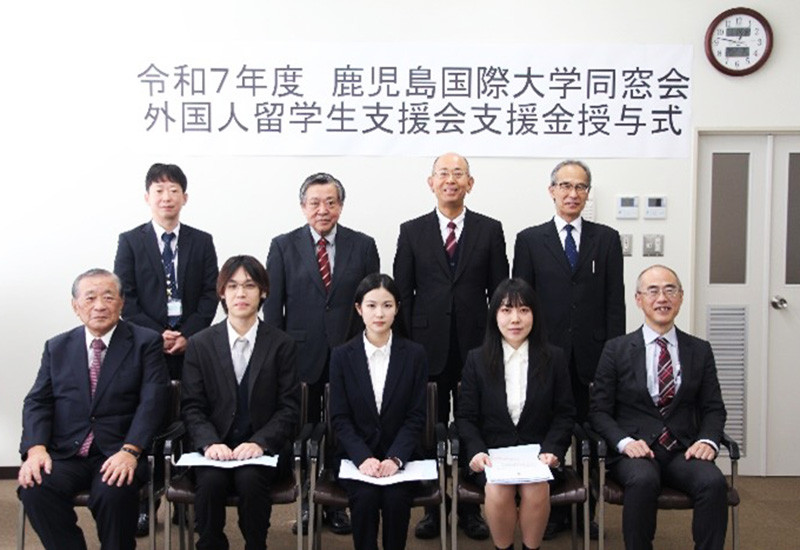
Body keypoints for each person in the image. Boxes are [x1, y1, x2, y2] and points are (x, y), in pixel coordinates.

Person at [394, 152, 508, 540]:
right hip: (426, 348)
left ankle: (471, 508)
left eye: (458, 174)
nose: (451, 180)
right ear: (431, 182)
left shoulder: (490, 230)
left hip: (478, 348)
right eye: (443, 173)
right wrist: (407, 347)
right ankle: (432, 507)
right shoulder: (412, 231)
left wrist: (495, 345)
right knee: (430, 429)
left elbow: (500, 294)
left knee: (475, 427)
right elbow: (402, 294)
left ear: (469, 184)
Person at [512, 159, 624, 538]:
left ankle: (585, 512)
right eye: (565, 186)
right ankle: (551, 512)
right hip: (545, 357)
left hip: (594, 359)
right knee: (548, 436)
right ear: (552, 191)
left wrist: (612, 357)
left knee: (590, 437)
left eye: (580, 187)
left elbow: (615, 303)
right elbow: (520, 304)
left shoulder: (606, 239)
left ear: (588, 193)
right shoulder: (530, 240)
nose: (572, 193)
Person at [18, 268, 169, 550]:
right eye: (90, 298)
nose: (99, 305)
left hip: (118, 450)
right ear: (75, 306)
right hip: (67, 452)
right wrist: (36, 449)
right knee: (35, 488)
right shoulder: (57, 347)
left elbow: (153, 401)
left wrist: (131, 451)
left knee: (113, 493)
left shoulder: (145, 342)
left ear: (122, 303)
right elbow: (38, 401)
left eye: (108, 297)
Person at [263, 172, 379, 534]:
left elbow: (373, 303)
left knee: (345, 429)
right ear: (303, 207)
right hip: (301, 356)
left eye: (330, 202)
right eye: (314, 202)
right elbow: (274, 311)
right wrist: (277, 358)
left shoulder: (363, 245)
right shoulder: (282, 246)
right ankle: (307, 504)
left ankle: (338, 503)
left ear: (341, 206)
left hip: (350, 353)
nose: (322, 209)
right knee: (303, 431)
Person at [590, 265, 728, 550]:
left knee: (713, 482)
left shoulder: (700, 350)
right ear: (639, 299)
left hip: (682, 450)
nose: (662, 298)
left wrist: (707, 440)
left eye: (670, 290)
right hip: (635, 450)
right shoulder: (616, 349)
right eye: (653, 291)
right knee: (642, 480)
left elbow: (714, 407)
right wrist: (624, 442)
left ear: (681, 297)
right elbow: (598, 411)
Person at [114, 162, 219, 533]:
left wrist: (187, 334)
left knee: (192, 419)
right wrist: (156, 335)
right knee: (150, 420)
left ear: (184, 197)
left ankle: (185, 500)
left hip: (192, 347)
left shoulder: (202, 241)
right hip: (147, 348)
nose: (166, 197)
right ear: (147, 197)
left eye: (174, 190)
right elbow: (125, 297)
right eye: (159, 190)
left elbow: (210, 295)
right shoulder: (130, 241)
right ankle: (147, 501)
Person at [181, 255, 300, 550]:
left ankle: (256, 544)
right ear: (222, 293)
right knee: (210, 483)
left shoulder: (282, 344)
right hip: (214, 448)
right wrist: (209, 442)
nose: (240, 293)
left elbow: (289, 407)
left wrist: (260, 442)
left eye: (249, 285)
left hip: (262, 451)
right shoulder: (200, 344)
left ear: (263, 292)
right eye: (232, 286)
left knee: (250, 480)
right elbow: (192, 406)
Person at [456, 278, 576, 550]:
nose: (515, 319)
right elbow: (466, 417)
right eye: (506, 310)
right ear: (494, 315)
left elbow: (565, 414)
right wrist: (476, 451)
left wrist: (552, 449)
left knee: (536, 487)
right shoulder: (477, 360)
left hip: (539, 457)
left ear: (535, 315)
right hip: (492, 457)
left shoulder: (554, 358)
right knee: (498, 490)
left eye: (524, 310)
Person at [329, 273, 428, 550]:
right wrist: (363, 458)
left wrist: (395, 458)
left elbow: (416, 416)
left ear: (397, 308)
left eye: (387, 305)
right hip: (356, 459)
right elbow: (340, 418)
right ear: (359, 309)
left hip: (401, 458)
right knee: (365, 498)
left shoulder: (415, 355)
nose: (379, 313)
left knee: (396, 499)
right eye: (371, 305)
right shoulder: (341, 356)